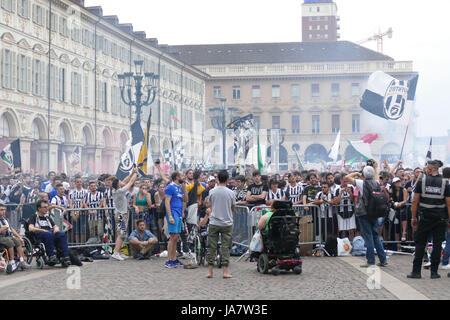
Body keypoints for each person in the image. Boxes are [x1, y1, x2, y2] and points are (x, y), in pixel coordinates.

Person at [408, 160, 450, 279]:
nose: (425, 169)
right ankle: (434, 272)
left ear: (430, 169)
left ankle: (416, 272)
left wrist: (413, 217)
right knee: (437, 244)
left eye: (427, 168)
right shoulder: (445, 183)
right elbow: (449, 203)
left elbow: (415, 200)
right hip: (440, 218)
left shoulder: (422, 181)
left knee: (420, 243)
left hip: (425, 217)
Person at [345, 162, 388, 268]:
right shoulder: (376, 182)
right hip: (374, 212)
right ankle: (383, 259)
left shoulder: (361, 183)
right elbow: (376, 175)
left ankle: (370, 260)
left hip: (364, 212)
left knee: (368, 236)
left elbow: (346, 177)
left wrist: (356, 173)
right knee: (376, 236)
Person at [206, 170, 235, 279]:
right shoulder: (231, 193)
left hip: (214, 221)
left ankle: (210, 272)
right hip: (227, 222)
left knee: (211, 247)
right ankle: (224, 272)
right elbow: (233, 208)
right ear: (227, 179)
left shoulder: (212, 192)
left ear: (217, 179)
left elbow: (210, 204)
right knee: (225, 247)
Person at [28, 200, 71, 268]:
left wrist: (56, 228)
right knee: (48, 234)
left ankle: (65, 256)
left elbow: (55, 226)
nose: (47, 209)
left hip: (50, 233)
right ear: (39, 208)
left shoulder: (47, 217)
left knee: (62, 234)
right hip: (39, 235)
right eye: (45, 207)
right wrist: (42, 230)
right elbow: (30, 228)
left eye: (47, 207)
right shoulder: (34, 216)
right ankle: (51, 256)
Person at [107, 168, 138, 261]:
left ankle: (118, 251)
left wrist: (132, 172)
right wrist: (136, 173)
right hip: (121, 215)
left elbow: (126, 180)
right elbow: (130, 182)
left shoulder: (116, 190)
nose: (122, 182)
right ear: (118, 185)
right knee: (121, 234)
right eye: (120, 182)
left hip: (119, 214)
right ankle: (116, 253)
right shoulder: (120, 191)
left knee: (119, 234)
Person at [164, 171, 187, 268]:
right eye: (182, 176)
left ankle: (174, 259)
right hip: (173, 214)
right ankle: (168, 260)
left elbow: (185, 199)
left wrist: (185, 188)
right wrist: (170, 216)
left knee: (176, 237)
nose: (184, 177)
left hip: (178, 214)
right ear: (177, 177)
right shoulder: (170, 187)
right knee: (172, 237)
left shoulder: (179, 187)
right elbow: (167, 202)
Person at [0, 204, 31, 273]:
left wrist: (19, 237)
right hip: (1, 237)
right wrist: (1, 230)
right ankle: (12, 261)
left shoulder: (5, 219)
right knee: (9, 241)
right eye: (1, 210)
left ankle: (21, 260)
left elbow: (11, 229)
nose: (3, 211)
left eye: (4, 210)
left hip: (8, 236)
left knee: (17, 241)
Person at [389, 177, 409, 245]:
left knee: (403, 215)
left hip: (402, 207)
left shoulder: (404, 190)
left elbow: (405, 200)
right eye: (397, 182)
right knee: (396, 225)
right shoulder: (391, 190)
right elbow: (390, 198)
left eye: (399, 181)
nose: (398, 183)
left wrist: (400, 203)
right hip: (394, 208)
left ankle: (404, 233)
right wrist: (393, 203)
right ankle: (397, 244)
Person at [441, 167, 450, 271]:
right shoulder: (447, 185)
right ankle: (445, 261)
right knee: (448, 240)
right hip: (447, 215)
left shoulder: (442, 185)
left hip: (441, 214)